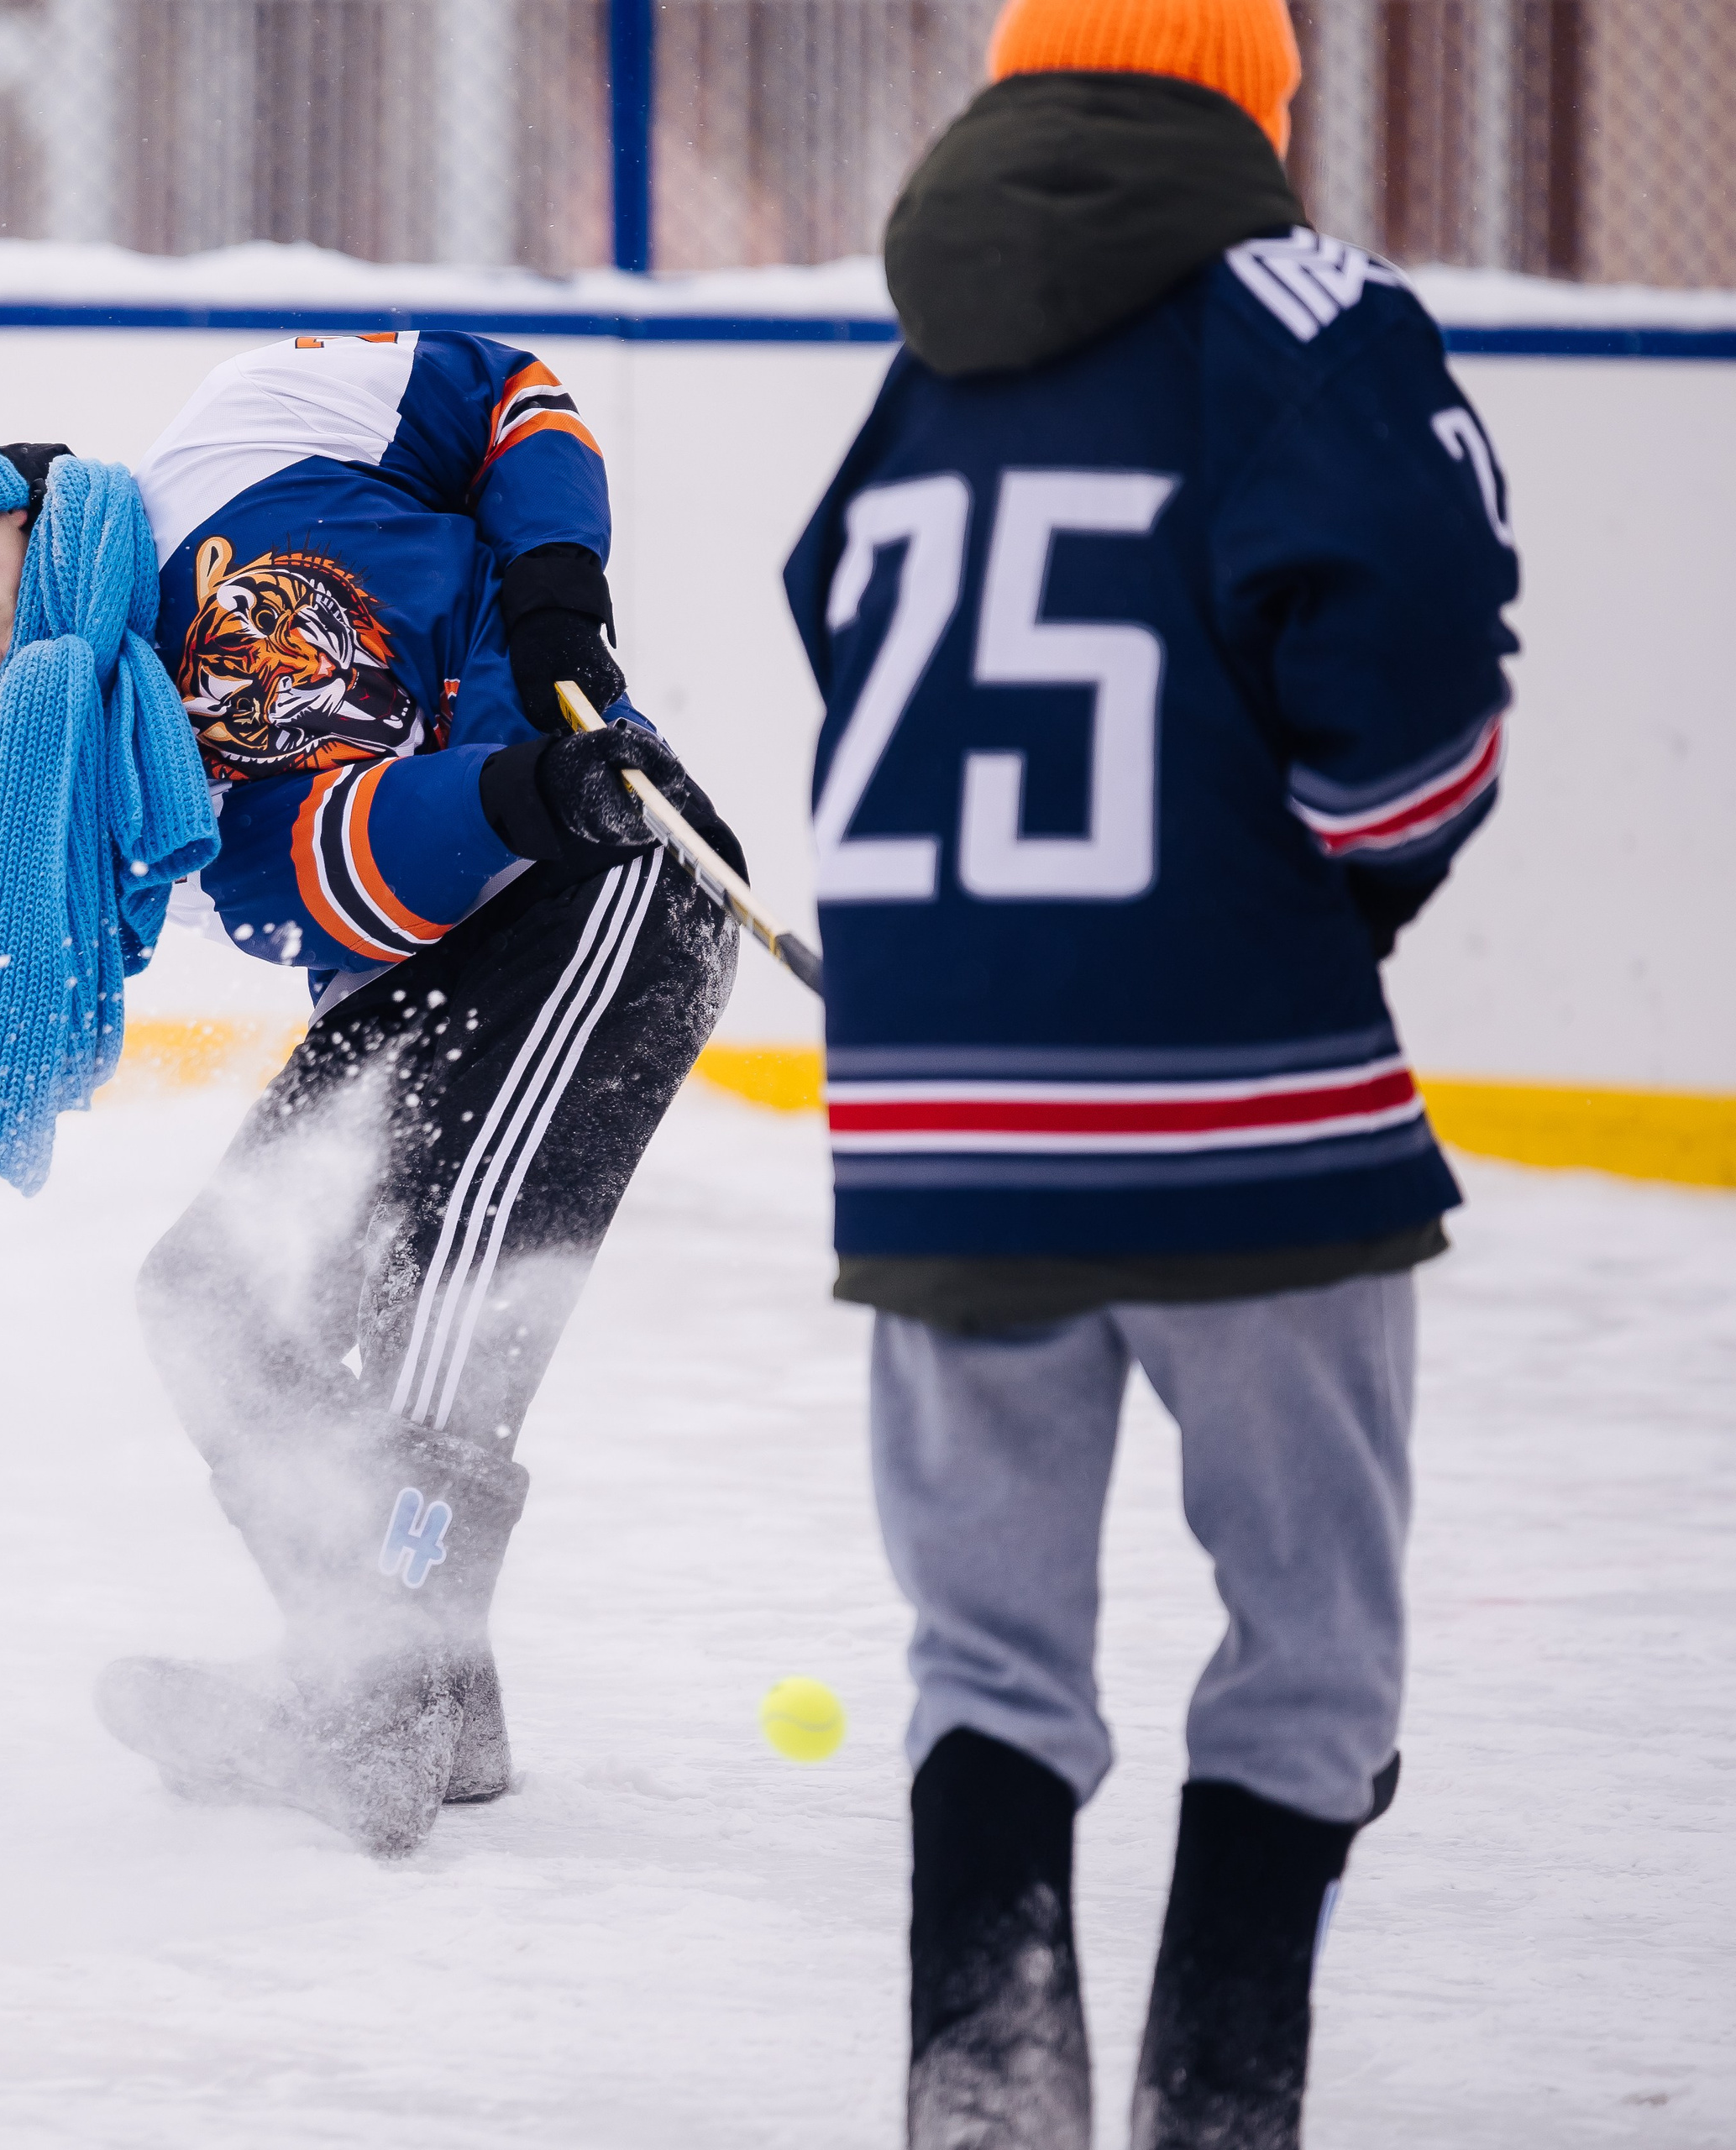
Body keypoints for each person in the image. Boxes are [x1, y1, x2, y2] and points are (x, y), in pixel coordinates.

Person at [784, 0, 1518, 2140]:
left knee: (985, 1662)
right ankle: (1223, 2099)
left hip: (939, 1127)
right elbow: (1412, 672)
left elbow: (834, 610)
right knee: (1310, 1653)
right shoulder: (1303, 308)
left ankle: (980, 2084)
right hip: (1239, 1103)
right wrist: (1328, 906)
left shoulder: (929, 356)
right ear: (1252, 102)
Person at [0, 333, 741, 1859]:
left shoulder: (242, 430)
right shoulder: (130, 755)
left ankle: (372, 1705)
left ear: (3, 500)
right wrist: (501, 796)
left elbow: (508, 396)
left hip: (602, 879)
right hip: (432, 937)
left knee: (451, 1293)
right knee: (210, 1299)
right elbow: (320, 886)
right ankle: (407, 1684)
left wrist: (558, 588)